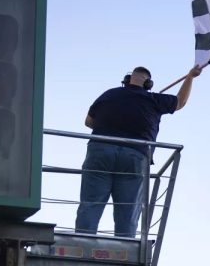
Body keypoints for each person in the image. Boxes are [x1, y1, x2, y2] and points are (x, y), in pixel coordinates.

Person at [74, 65, 201, 237]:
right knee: (128, 210)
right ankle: (124, 247)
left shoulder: (109, 94)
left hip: (101, 150)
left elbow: (89, 122)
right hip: (135, 155)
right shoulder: (153, 99)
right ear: (148, 83)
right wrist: (190, 77)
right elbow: (180, 102)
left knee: (90, 204)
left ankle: (82, 240)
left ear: (127, 80)